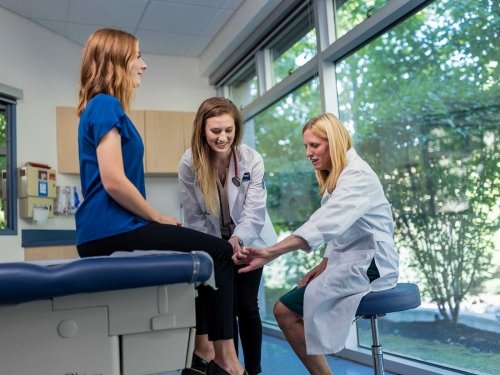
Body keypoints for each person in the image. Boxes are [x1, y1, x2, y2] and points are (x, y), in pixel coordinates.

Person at [75, 28, 247, 375]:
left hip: (105, 229)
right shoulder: (106, 104)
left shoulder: (100, 107)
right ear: (117, 61)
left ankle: (202, 351)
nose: (144, 64)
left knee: (200, 258)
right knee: (219, 251)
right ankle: (226, 360)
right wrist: (156, 217)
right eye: (137, 56)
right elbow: (113, 180)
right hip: (112, 228)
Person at [237, 113, 399, 374]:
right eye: (306, 146)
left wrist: (270, 252)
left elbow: (325, 223)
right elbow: (340, 230)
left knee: (283, 311)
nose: (308, 153)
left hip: (372, 263)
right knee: (286, 308)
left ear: (333, 142)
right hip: (351, 259)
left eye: (314, 145)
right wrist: (324, 263)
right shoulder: (340, 176)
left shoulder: (357, 176)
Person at [178, 97, 277, 375]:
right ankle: (229, 366)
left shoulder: (251, 159)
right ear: (202, 130)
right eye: (215, 131)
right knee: (225, 307)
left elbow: (255, 212)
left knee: (247, 306)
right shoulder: (189, 163)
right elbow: (194, 216)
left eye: (228, 131)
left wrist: (238, 240)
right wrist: (217, 248)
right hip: (213, 243)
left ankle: (253, 371)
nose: (223, 138)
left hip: (251, 240)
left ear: (236, 130)